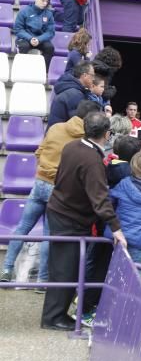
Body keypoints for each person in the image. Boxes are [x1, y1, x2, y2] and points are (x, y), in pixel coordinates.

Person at [41, 112, 126, 331]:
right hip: (69, 217)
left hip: (61, 210)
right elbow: (100, 199)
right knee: (65, 270)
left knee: (64, 267)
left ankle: (56, 313)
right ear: (107, 135)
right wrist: (116, 228)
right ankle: (53, 318)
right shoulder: (92, 161)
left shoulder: (71, 146)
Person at [0, 101, 101, 287]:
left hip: (39, 182)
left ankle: (6, 269)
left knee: (22, 227)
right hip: (58, 188)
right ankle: (42, 280)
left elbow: (39, 152)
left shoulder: (55, 127)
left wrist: (43, 171)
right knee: (48, 234)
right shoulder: (85, 139)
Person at [13, 0, 55, 71]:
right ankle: (21, 71)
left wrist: (39, 39)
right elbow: (18, 29)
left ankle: (43, 72)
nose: (45, 3)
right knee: (23, 46)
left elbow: (50, 32)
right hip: (25, 38)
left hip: (40, 39)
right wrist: (30, 38)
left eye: (47, 1)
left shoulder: (48, 14)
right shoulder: (24, 11)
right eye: (43, 0)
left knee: (49, 47)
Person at [47, 61, 95, 128]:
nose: (94, 79)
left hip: (55, 132)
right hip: (61, 135)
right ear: (85, 75)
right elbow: (77, 124)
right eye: (92, 75)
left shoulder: (70, 86)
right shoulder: (75, 95)